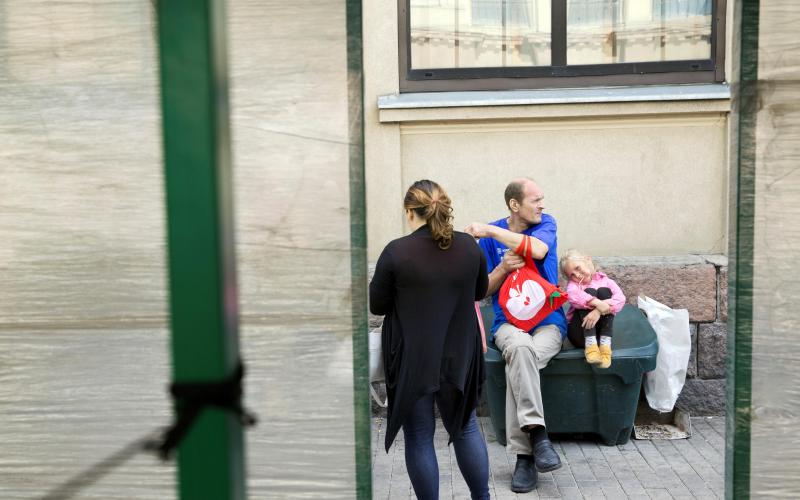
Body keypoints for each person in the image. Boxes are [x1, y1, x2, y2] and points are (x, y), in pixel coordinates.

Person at [369, 179, 490, 500]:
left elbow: (377, 305)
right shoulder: (469, 247)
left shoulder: (397, 252)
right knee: (465, 428)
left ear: (411, 211)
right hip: (460, 355)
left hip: (413, 357)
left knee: (420, 436)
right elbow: (479, 292)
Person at [464, 177, 566, 494]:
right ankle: (538, 438)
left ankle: (524, 455)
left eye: (541, 199)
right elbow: (482, 291)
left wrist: (490, 231)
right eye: (535, 200)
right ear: (514, 204)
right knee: (520, 348)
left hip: (549, 323)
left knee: (522, 359)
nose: (542, 205)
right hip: (507, 324)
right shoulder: (490, 245)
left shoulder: (545, 224)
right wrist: (503, 269)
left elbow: (537, 249)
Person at [560, 249, 626, 369]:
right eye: (572, 275)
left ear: (588, 259)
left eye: (577, 268)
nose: (577, 275)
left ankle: (605, 346)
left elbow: (620, 299)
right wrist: (596, 302)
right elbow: (573, 296)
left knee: (605, 291)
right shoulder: (573, 285)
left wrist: (598, 310)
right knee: (588, 292)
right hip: (579, 333)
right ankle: (590, 346)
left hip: (600, 333)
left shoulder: (606, 281)